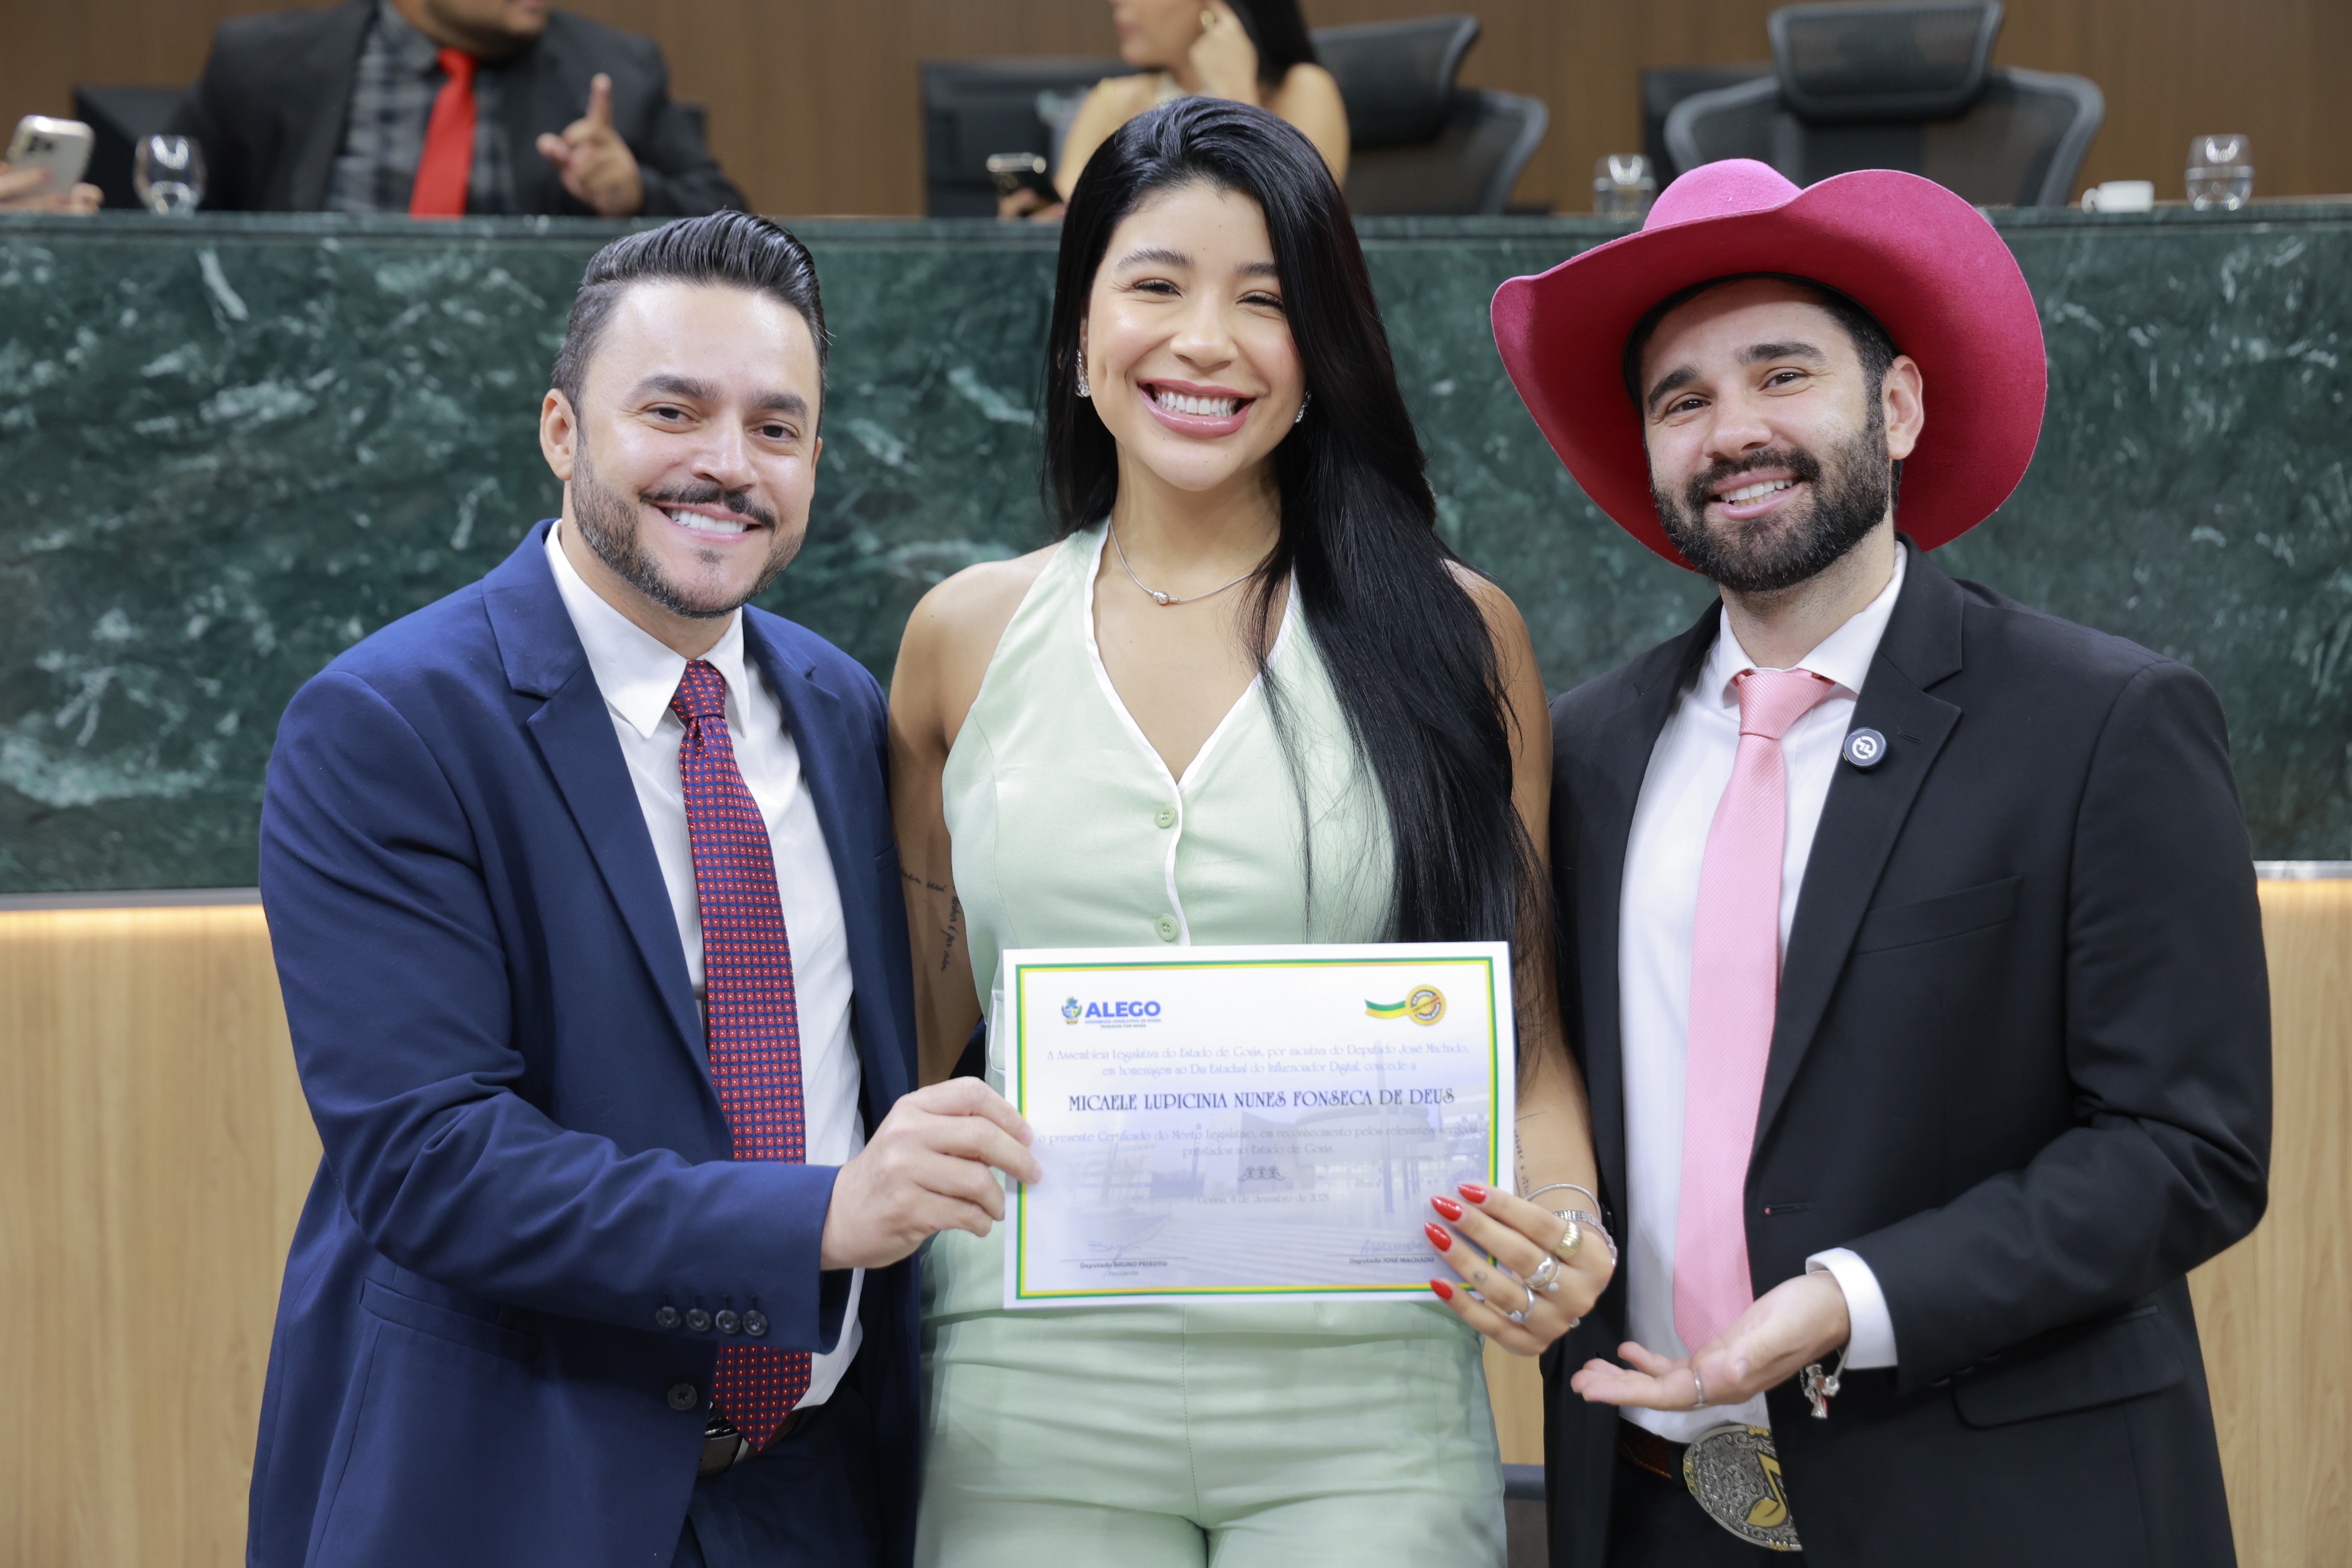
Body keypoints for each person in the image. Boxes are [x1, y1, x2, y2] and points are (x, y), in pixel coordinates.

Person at [1490, 159, 2271, 1566]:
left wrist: (1851, 1296)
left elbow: (2186, 1149)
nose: (1735, 430)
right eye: (1682, 400)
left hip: (2000, 1506)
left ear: (1898, 405)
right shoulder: (1588, 751)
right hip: (1650, 1498)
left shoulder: (2106, 721)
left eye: (1782, 374)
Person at [250, 212, 1041, 1568]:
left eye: (776, 427)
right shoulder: (388, 724)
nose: (727, 463)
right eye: (672, 411)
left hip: (819, 1495)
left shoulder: (845, 710)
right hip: (513, 1493)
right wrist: (820, 1216)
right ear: (562, 430)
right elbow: (432, 1161)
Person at [891, 97, 1611, 1567]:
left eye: (1266, 301)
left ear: (1322, 353)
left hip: (1368, 1388)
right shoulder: (962, 639)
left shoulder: (1457, 634)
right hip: (1028, 1385)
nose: (1205, 341)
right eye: (1156, 285)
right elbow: (912, 1043)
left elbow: (1524, 1039)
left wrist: (1564, 1217)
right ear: (1079, 332)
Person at [169, 0, 743, 216]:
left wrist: (636, 196)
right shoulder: (262, 65)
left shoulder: (615, 69)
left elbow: (732, 225)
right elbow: (160, 218)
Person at [1002, 0, 1346, 219]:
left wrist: (1236, 98)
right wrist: (1035, 223)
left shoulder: (1303, 90)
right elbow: (1070, 222)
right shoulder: (1109, 102)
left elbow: (1300, 234)